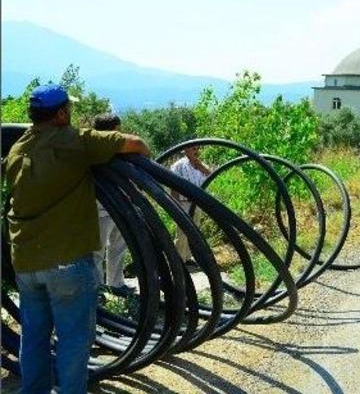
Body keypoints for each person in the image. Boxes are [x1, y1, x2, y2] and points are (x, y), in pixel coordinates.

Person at [3, 85, 150, 392]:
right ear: (60, 114)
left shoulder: (18, 149)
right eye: (67, 109)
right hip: (68, 263)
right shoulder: (75, 141)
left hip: (27, 264)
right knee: (73, 340)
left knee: (34, 337)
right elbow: (136, 144)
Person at [92, 113, 134, 296]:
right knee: (96, 252)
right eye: (117, 130)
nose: (120, 134)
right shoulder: (92, 153)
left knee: (119, 247)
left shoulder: (120, 152)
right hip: (98, 211)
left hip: (119, 209)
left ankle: (116, 284)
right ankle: (97, 289)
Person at [169, 144, 211, 264]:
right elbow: (173, 185)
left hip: (197, 203)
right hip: (184, 203)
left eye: (198, 148)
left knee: (194, 232)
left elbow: (211, 176)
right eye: (193, 148)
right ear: (186, 150)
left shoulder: (200, 165)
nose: (196, 151)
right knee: (182, 233)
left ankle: (188, 258)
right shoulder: (178, 165)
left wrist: (202, 167)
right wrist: (175, 204)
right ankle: (179, 261)